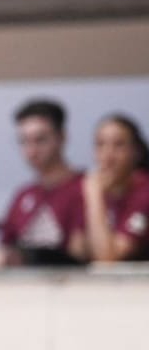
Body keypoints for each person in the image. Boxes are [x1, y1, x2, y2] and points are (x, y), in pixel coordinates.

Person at [0, 98, 82, 268]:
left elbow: (80, 252)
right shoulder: (23, 195)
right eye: (24, 141)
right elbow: (3, 248)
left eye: (40, 140)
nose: (31, 151)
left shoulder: (84, 188)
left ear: (61, 137)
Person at [62, 112, 149, 263]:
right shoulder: (87, 189)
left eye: (118, 145)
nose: (108, 156)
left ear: (136, 151)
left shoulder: (144, 192)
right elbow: (77, 251)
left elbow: (107, 260)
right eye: (100, 145)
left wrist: (94, 196)